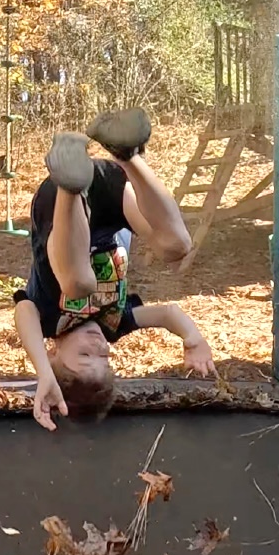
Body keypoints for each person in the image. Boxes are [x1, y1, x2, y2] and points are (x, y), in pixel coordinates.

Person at [13, 108, 216, 430]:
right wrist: (193, 339)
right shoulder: (114, 324)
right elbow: (168, 314)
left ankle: (70, 180)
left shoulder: (49, 322)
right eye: (104, 358)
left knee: (78, 284)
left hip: (61, 208)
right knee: (176, 247)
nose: (96, 348)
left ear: (54, 355)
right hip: (111, 203)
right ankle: (128, 154)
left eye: (84, 358)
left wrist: (43, 373)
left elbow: (23, 310)